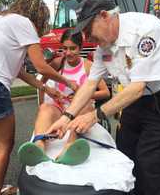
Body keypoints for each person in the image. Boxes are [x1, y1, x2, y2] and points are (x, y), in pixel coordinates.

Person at [47, 0, 160, 195]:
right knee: (125, 157)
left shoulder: (146, 29)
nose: (86, 37)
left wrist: (95, 115)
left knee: (149, 164)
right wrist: (67, 116)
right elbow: (90, 84)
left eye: (87, 29)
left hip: (157, 103)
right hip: (131, 103)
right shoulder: (103, 46)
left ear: (104, 16)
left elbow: (138, 86)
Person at [0, 0, 77, 195]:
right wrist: (68, 82)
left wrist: (47, 89)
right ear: (38, 15)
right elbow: (41, 66)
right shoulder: (24, 23)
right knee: (4, 146)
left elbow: (18, 71)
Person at [18, 29, 110, 166]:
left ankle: (70, 146)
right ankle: (39, 146)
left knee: (85, 105)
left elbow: (105, 92)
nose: (68, 53)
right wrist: (43, 101)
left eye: (72, 48)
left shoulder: (88, 66)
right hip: (60, 109)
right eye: (65, 48)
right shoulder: (57, 63)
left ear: (80, 48)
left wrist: (81, 95)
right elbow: (42, 83)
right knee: (45, 108)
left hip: (80, 110)